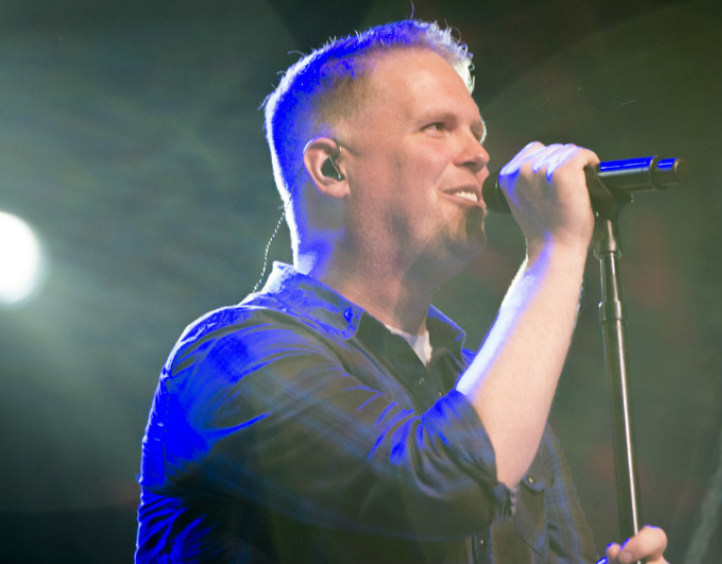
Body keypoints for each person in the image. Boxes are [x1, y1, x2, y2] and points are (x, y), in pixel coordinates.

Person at [135, 19, 669, 564]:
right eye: (438, 127)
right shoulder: (232, 357)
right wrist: (554, 251)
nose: (479, 156)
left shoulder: (481, 388)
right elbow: (441, 486)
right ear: (332, 167)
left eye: (477, 134)